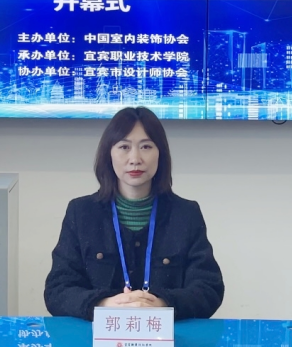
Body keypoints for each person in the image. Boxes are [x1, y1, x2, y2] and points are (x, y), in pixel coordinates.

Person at [44, 106, 224, 321]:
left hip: (169, 335)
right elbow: (58, 290)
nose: (135, 158)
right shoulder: (81, 212)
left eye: (146, 146)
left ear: (160, 153)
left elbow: (209, 288)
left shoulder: (186, 214)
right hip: (97, 335)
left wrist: (162, 304)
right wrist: (104, 305)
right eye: (124, 147)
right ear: (109, 154)